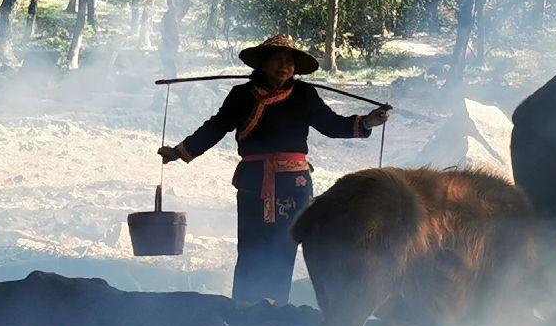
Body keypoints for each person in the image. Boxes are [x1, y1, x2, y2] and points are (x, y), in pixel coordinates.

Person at [159, 33, 390, 304]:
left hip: (295, 185)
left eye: (290, 62)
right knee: (250, 244)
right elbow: (216, 126)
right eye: (278, 60)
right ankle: (244, 306)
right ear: (263, 64)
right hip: (253, 182)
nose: (284, 66)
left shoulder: (304, 94)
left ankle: (275, 308)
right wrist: (179, 152)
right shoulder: (242, 95)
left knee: (285, 245)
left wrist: (367, 122)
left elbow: (331, 125)